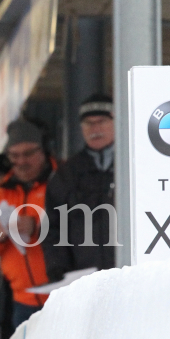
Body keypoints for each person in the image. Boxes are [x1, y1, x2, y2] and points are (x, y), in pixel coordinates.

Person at [0, 119, 54, 330]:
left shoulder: (61, 182)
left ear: (43, 151)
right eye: (14, 156)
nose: (21, 161)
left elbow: (80, 228)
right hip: (22, 300)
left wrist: (37, 227)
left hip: (61, 296)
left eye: (28, 154)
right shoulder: (3, 193)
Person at [43, 93, 116, 282]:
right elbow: (53, 227)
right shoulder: (66, 174)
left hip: (132, 274)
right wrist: (58, 268)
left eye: (101, 121)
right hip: (84, 280)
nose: (95, 129)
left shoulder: (135, 164)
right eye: (88, 123)